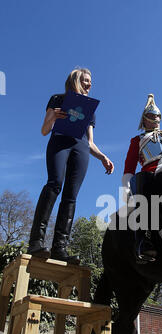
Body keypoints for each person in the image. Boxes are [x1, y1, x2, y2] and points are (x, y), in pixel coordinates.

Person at [27, 68, 114, 264]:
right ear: (75, 80)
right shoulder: (57, 98)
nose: (89, 84)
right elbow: (44, 130)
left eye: (90, 81)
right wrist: (53, 117)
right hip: (59, 142)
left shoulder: (90, 109)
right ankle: (36, 242)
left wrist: (102, 157)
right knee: (54, 183)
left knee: (71, 196)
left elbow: (90, 142)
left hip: (81, 149)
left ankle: (60, 248)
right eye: (85, 80)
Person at [122, 94, 162, 263]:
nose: (155, 119)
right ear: (144, 120)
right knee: (143, 182)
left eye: (157, 116)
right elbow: (129, 167)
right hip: (150, 174)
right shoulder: (137, 140)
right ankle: (142, 239)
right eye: (151, 116)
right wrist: (127, 187)